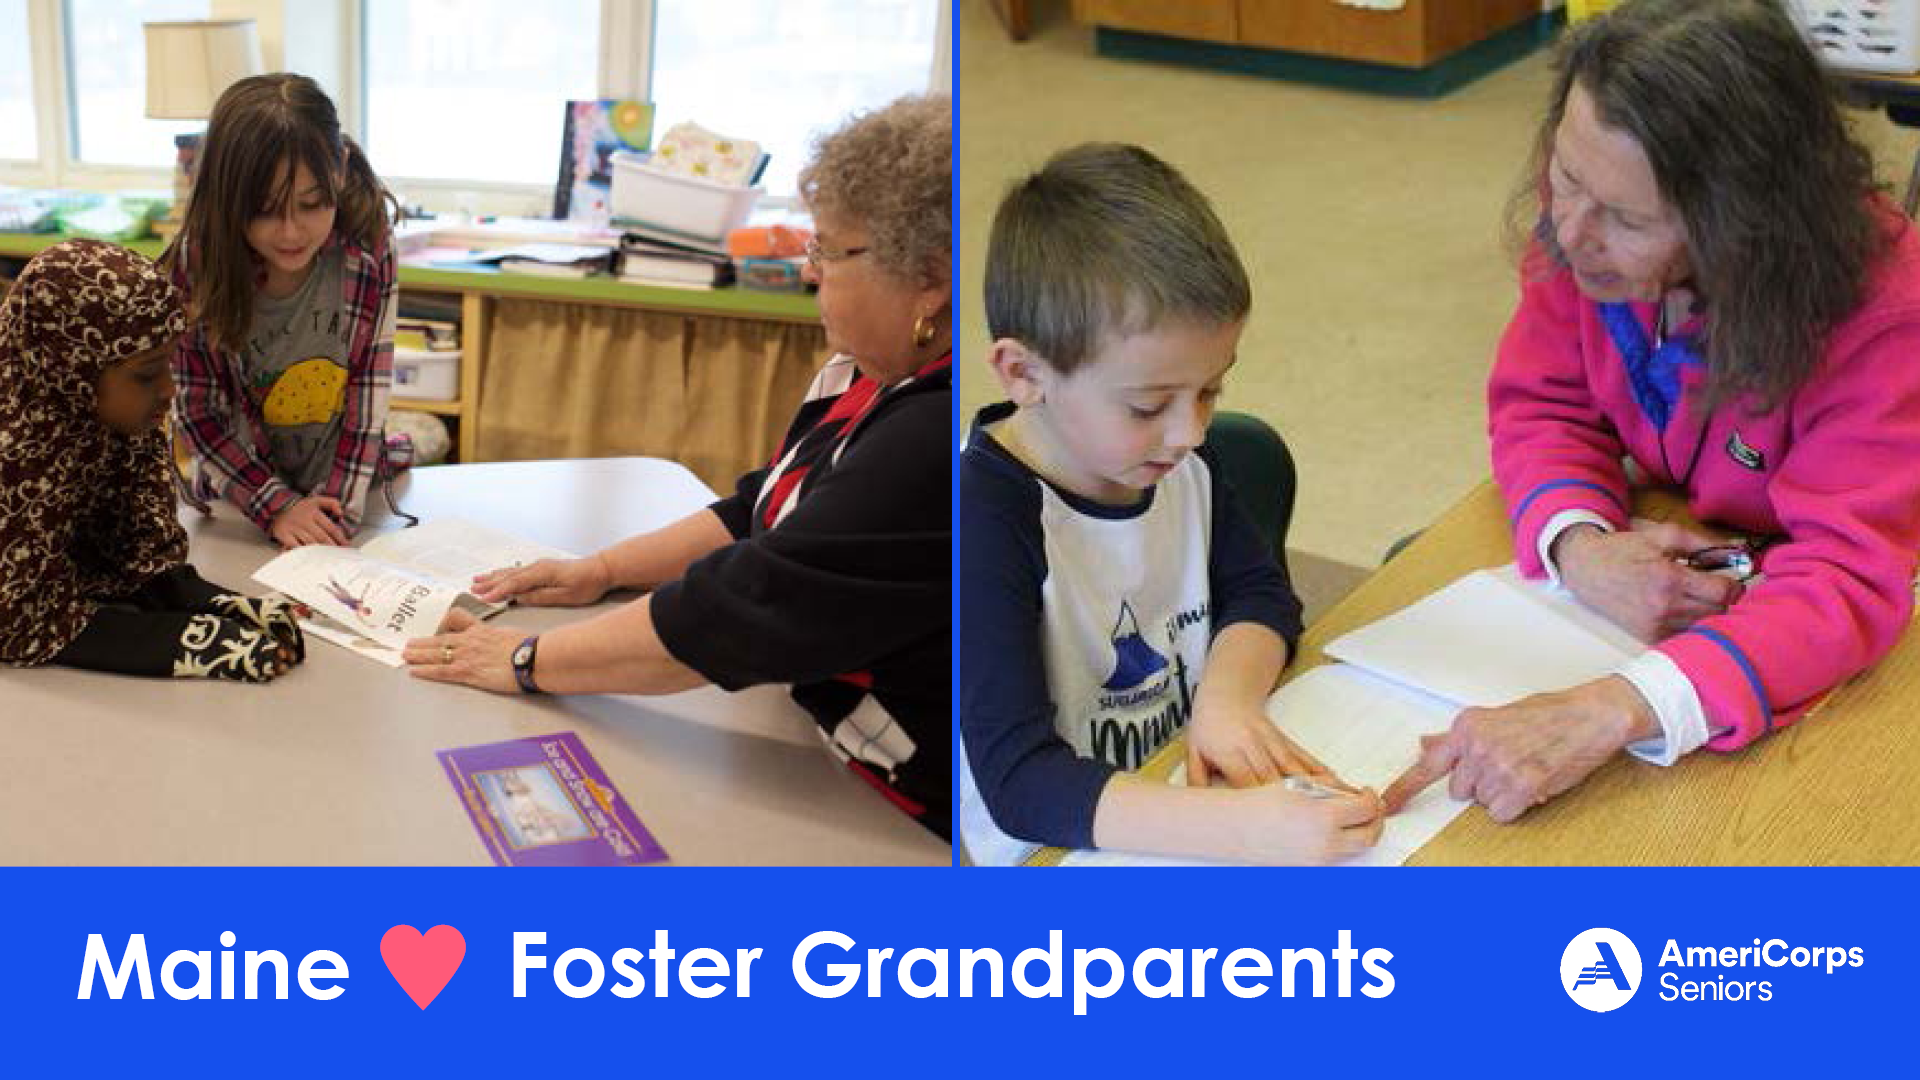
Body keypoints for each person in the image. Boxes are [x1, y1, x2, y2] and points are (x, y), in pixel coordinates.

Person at [1385, 0, 1920, 822]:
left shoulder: (1882, 314)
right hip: (1703, 558)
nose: (1569, 229)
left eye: (1629, 219)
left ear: (1744, 228)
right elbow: (1545, 402)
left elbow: (1846, 574)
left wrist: (1613, 707)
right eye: (1563, 175)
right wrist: (1580, 546)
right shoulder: (1589, 221)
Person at [401, 95, 953, 842]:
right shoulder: (872, 373)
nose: (811, 273)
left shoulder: (933, 439)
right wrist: (598, 571)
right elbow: (767, 508)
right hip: (811, 744)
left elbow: (745, 605)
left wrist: (527, 659)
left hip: (897, 810)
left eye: (828, 251)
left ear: (930, 275)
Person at [958, 143, 1384, 866]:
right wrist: (1245, 830)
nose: (1191, 432)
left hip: (1188, 791)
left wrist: (1226, 701)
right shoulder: (978, 523)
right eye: (1149, 404)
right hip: (1062, 853)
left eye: (1212, 390)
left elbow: (1262, 593)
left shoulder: (1183, 460)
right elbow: (1021, 783)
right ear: (1024, 372)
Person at [0, 240, 305, 681]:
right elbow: (17, 619)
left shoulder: (113, 417)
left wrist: (207, 601)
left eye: (168, 364)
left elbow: (136, 552)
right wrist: (185, 642)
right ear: (70, 370)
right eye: (146, 373)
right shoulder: (13, 450)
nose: (168, 389)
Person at [164, 72, 400, 550]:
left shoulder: (370, 244)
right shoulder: (196, 263)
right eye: (265, 210)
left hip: (342, 487)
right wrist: (278, 507)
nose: (291, 232)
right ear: (227, 197)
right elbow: (198, 415)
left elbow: (367, 394)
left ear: (340, 168)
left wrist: (334, 515)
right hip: (241, 500)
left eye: (312, 204)